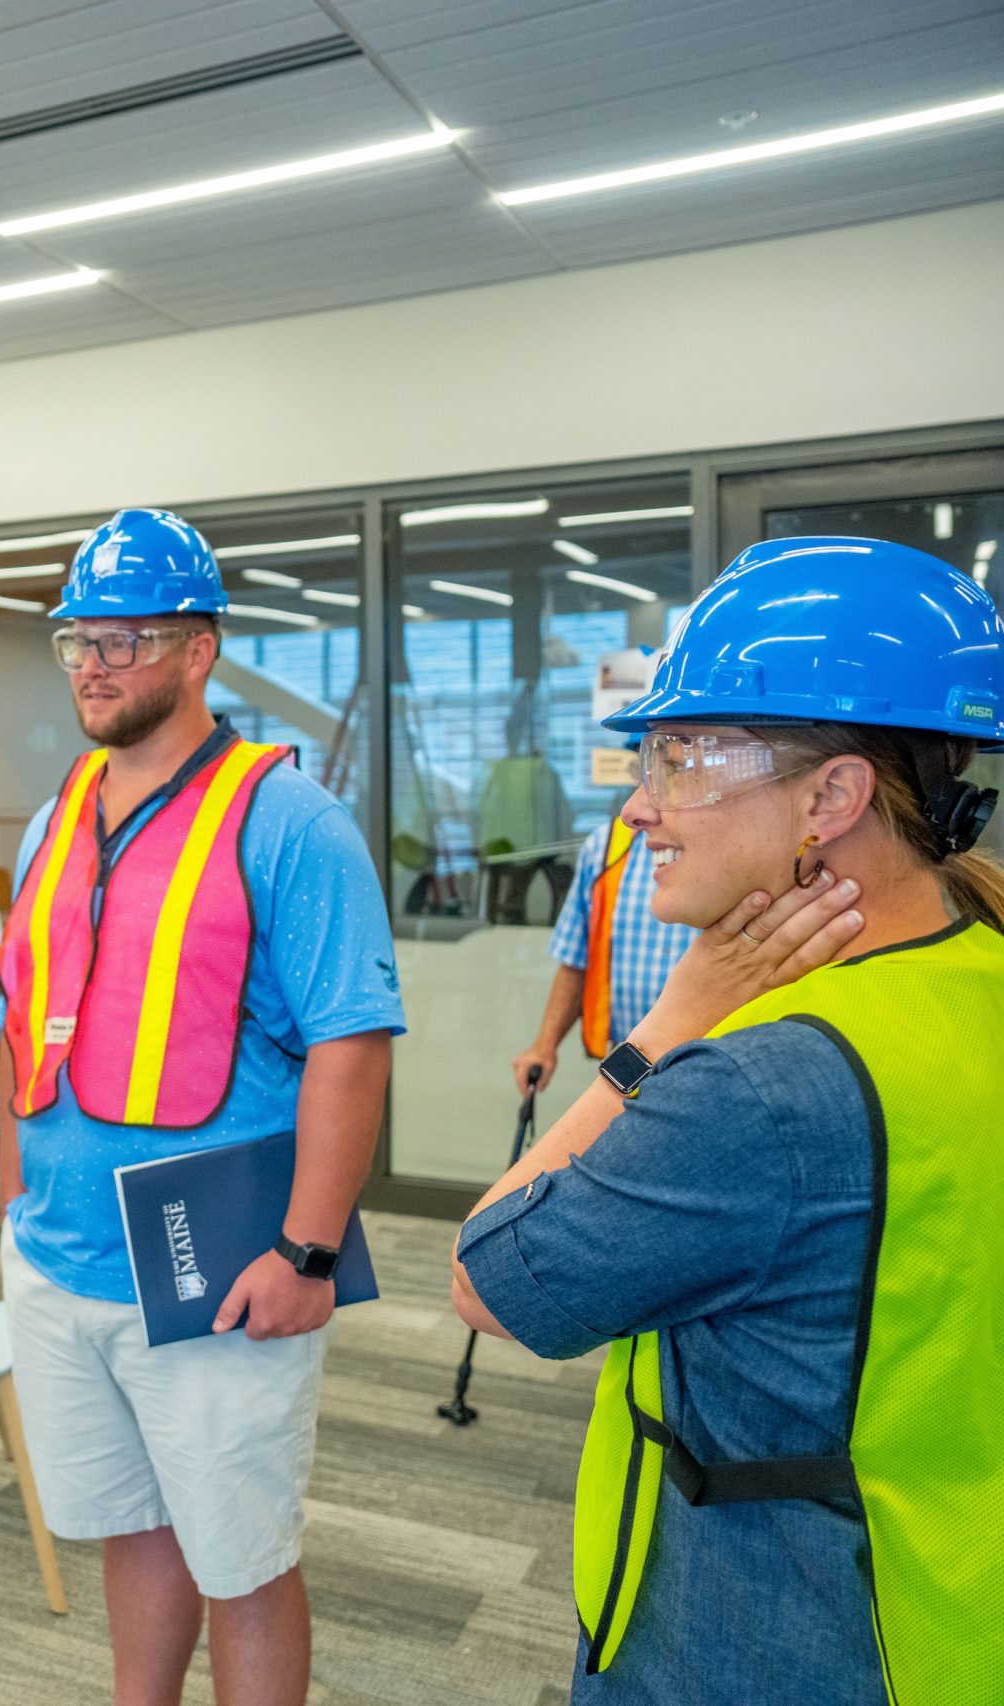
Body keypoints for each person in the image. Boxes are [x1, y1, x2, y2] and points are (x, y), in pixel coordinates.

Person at [453, 536, 1004, 1704]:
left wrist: (668, 1022)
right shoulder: (977, 967)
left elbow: (490, 1275)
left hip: (767, 1641)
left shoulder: (759, 1083)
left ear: (832, 795)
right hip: (943, 1606)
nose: (643, 806)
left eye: (682, 758)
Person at [0, 509, 404, 1706]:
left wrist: (309, 1247)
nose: (96, 663)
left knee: (245, 1555)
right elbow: (35, 1020)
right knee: (136, 1522)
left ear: (198, 648)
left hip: (215, 1270)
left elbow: (351, 1044)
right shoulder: (51, 817)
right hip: (61, 1253)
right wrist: (14, 1200)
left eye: (128, 638)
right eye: (78, 639)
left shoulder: (291, 821)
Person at [510, 742, 695, 1093]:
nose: (645, 794)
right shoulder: (606, 847)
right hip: (629, 1061)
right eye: (645, 769)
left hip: (707, 1062)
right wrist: (544, 1044)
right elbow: (576, 959)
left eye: (670, 770)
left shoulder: (725, 854)